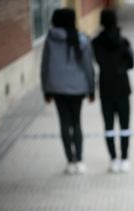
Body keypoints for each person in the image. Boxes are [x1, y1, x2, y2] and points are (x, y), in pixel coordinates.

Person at [41, 8, 95, 175]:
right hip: (78, 88)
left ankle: (70, 161)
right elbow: (88, 67)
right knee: (76, 122)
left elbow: (45, 66)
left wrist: (46, 89)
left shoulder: (50, 40)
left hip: (56, 88)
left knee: (64, 123)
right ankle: (79, 159)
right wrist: (92, 88)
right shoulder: (81, 39)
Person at [92, 9, 134, 173]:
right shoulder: (124, 41)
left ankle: (113, 159)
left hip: (105, 88)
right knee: (125, 126)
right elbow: (131, 64)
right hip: (122, 87)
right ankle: (125, 159)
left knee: (109, 127)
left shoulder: (95, 42)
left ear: (102, 21)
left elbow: (98, 61)